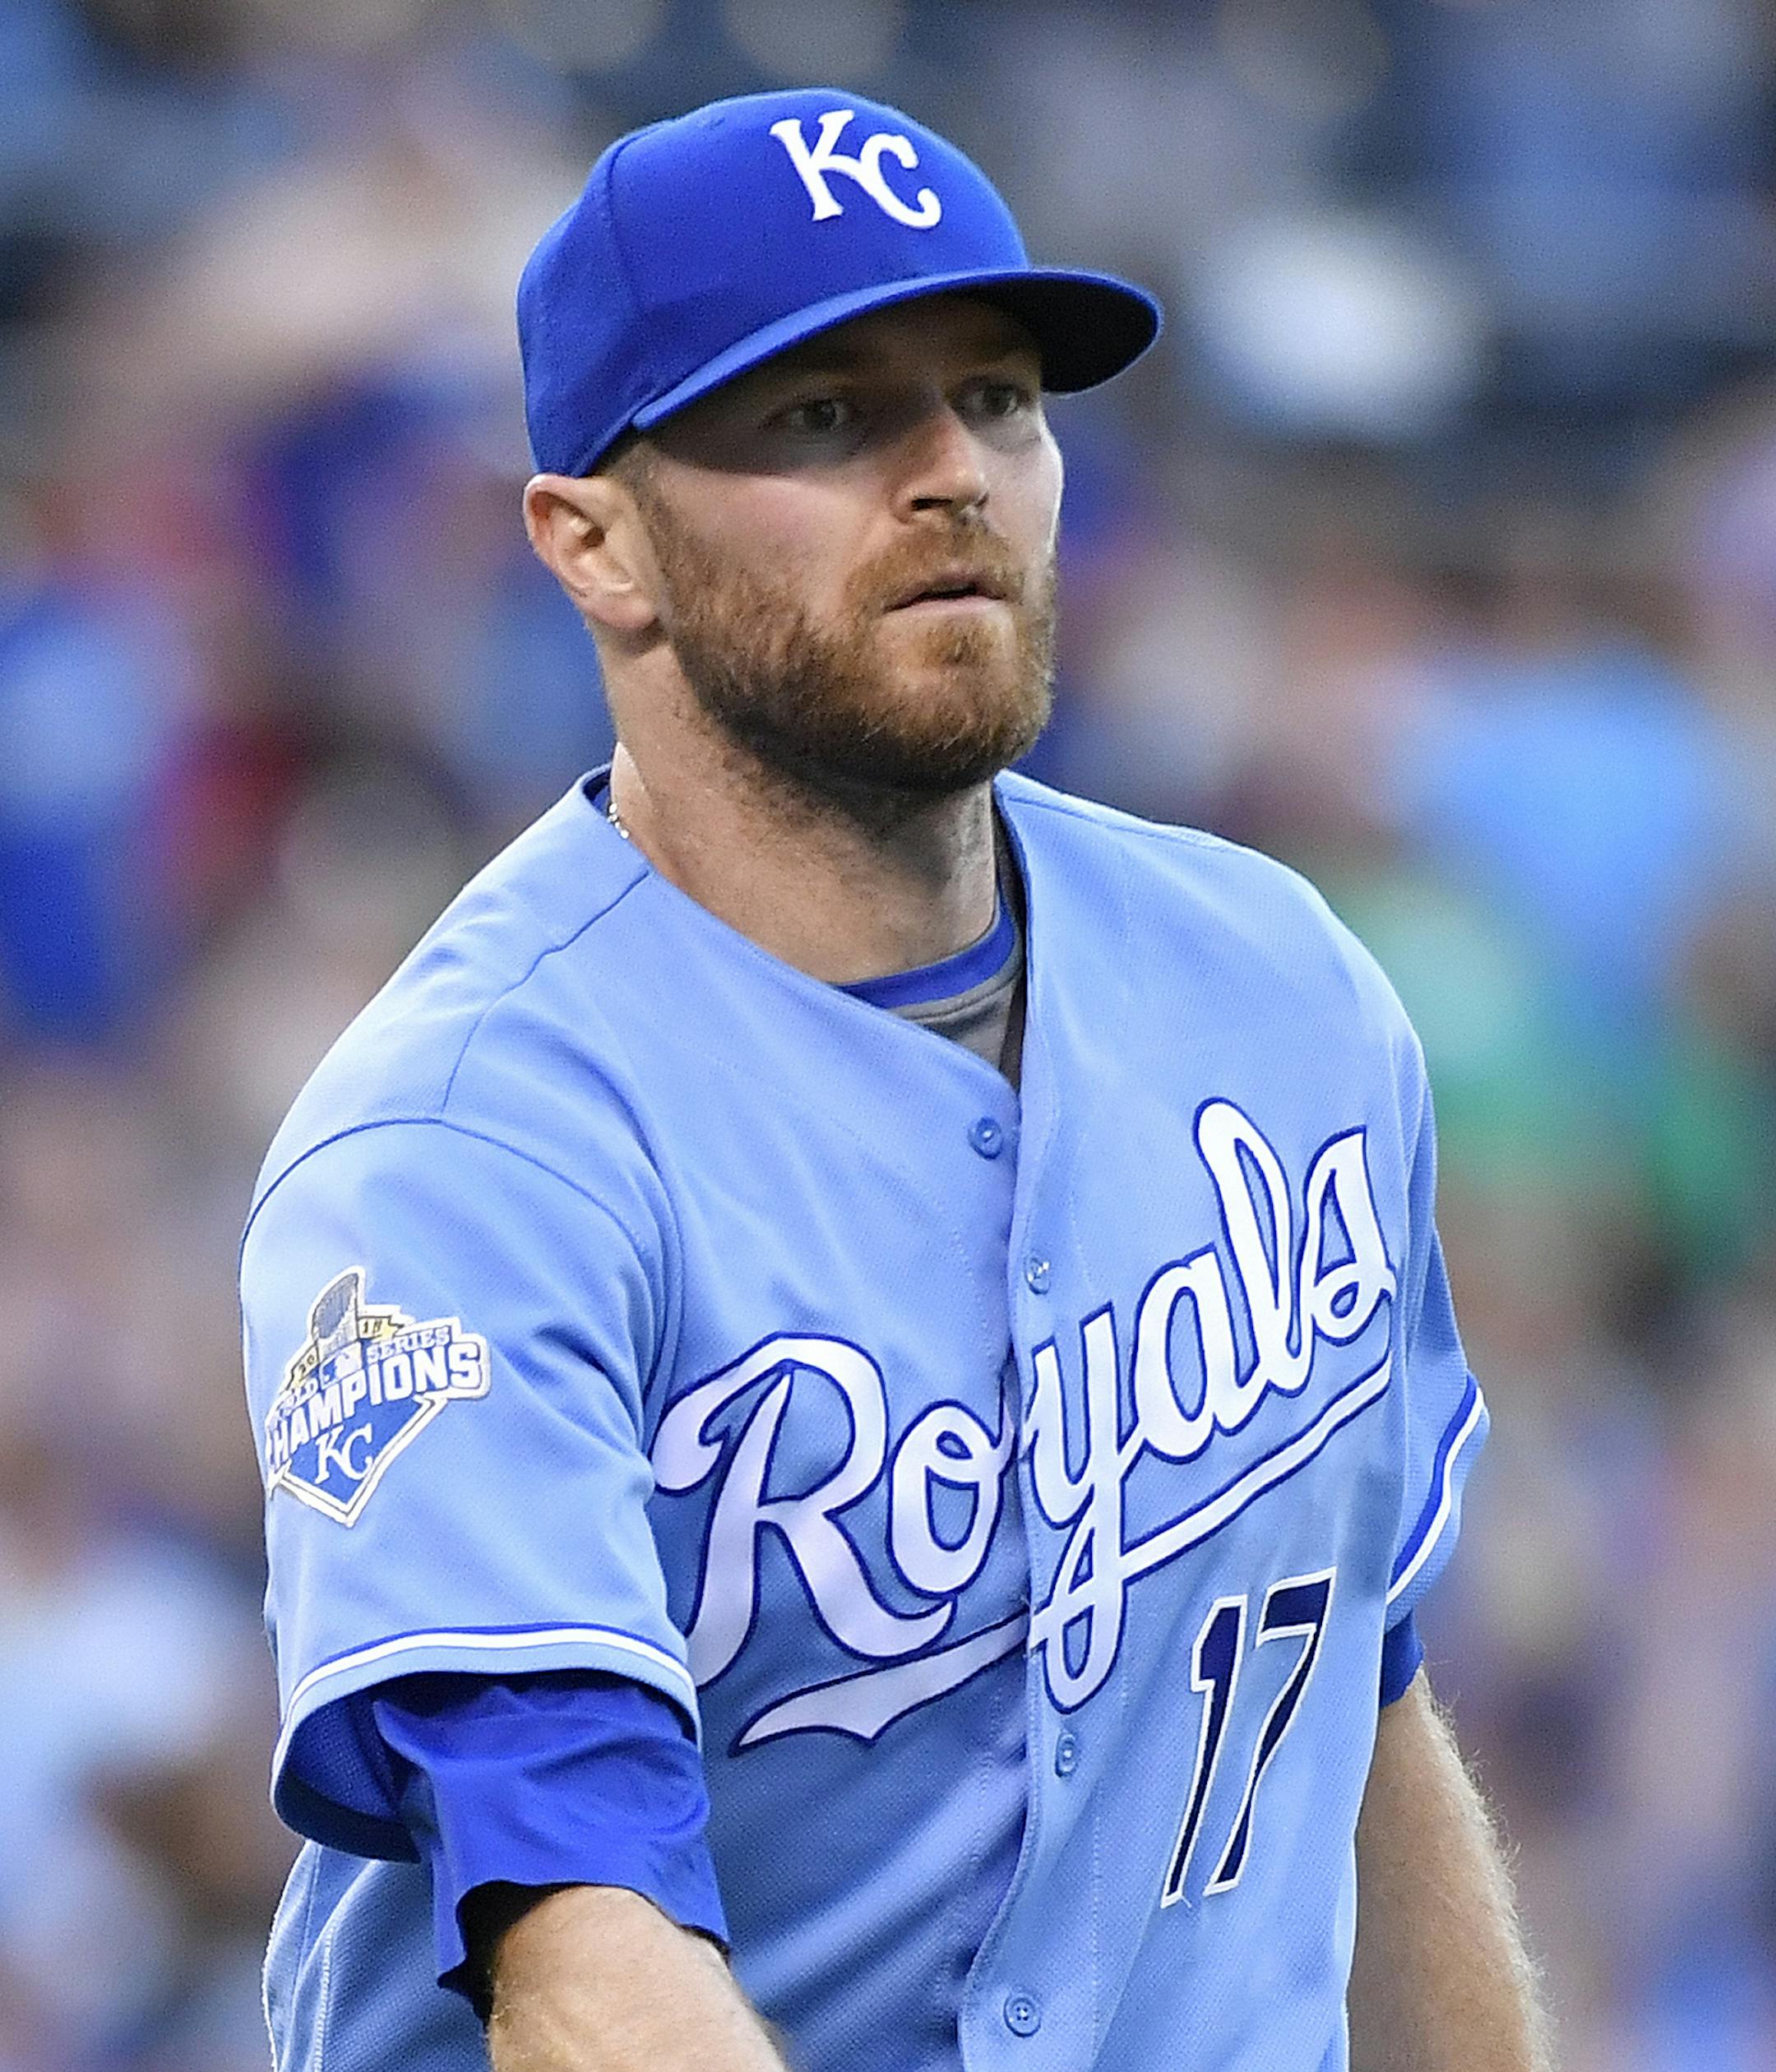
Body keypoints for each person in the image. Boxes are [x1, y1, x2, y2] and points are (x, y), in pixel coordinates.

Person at [240, 87, 1550, 2072]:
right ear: (595, 543)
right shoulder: (464, 1151)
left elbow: (1353, 1705)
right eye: (824, 416)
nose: (951, 476)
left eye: (998, 399)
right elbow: (578, 1951)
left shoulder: (1282, 991)